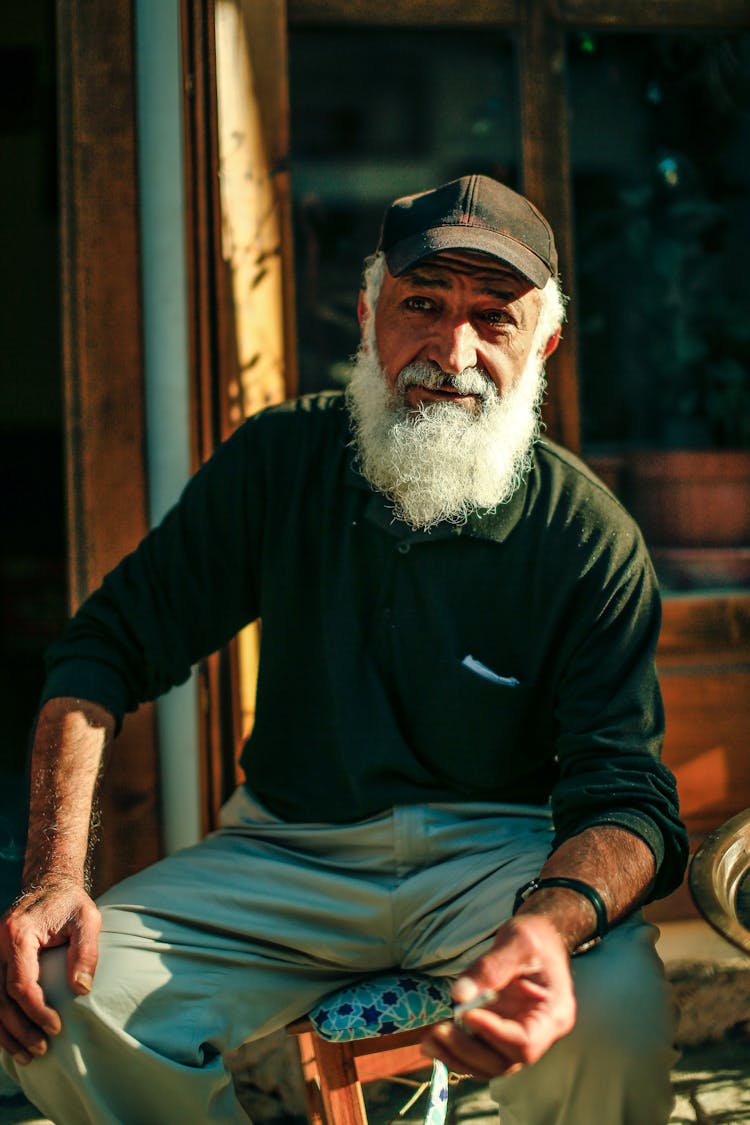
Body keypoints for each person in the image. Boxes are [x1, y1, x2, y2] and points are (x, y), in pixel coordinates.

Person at [0, 174, 687, 1124]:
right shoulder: (283, 459)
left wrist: (545, 925)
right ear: (369, 314)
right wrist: (54, 874)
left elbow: (629, 798)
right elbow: (100, 653)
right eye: (422, 304)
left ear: (546, 346)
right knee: (54, 995)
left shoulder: (588, 537)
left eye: (495, 318)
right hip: (288, 846)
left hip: (499, 856)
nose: (454, 351)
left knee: (612, 1012)